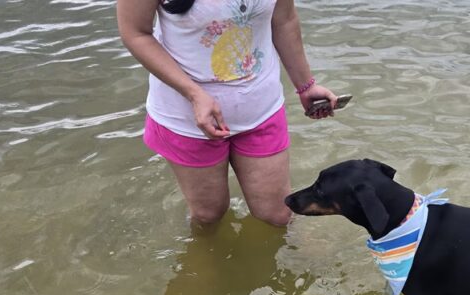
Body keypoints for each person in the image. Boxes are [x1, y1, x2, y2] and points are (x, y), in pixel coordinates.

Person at [117, 0, 337, 227]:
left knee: (277, 215)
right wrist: (193, 94)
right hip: (187, 117)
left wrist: (305, 85)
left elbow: (284, 20)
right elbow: (135, 33)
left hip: (261, 107)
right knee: (208, 215)